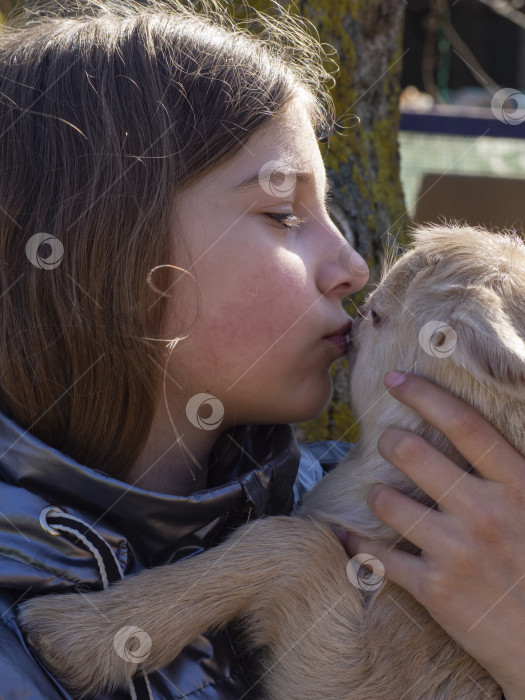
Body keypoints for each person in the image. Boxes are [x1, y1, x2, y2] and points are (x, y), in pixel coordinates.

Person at [0, 0, 523, 698]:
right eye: (282, 214)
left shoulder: (460, 537)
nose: (354, 265)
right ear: (107, 254)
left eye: (331, 213)